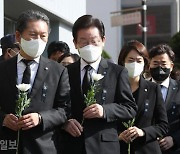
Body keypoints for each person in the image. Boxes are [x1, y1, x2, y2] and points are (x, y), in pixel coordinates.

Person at [61, 15, 137, 154]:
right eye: (83, 42)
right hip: (71, 144)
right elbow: (58, 106)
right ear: (75, 43)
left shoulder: (117, 72)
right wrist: (65, 122)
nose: (89, 46)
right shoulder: (65, 72)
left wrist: (105, 111)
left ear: (103, 41)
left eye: (94, 42)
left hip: (104, 147)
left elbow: (129, 108)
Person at [0, 10, 70, 154]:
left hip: (42, 146)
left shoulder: (58, 71)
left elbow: (64, 109)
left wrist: (41, 118)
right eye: (33, 35)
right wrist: (3, 118)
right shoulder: (3, 68)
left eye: (43, 36)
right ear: (18, 36)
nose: (38, 40)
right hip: (7, 144)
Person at [118, 40, 168, 154]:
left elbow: (163, 125)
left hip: (147, 149)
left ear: (145, 64)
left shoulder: (153, 89)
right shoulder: (114, 88)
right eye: (130, 60)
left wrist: (143, 132)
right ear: (122, 62)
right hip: (120, 148)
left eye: (139, 61)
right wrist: (118, 135)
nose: (134, 64)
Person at [149, 44, 180, 154]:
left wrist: (174, 139)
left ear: (171, 66)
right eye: (155, 64)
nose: (159, 68)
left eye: (163, 64)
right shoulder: (141, 88)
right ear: (149, 64)